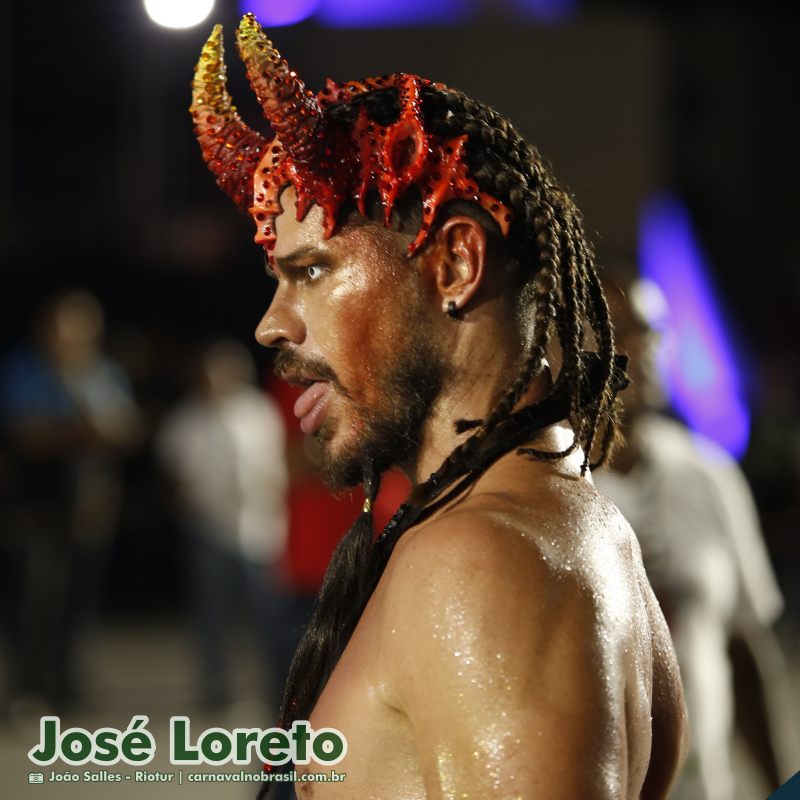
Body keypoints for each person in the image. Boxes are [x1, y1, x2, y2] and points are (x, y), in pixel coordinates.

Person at [189, 14, 687, 796]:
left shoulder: (479, 562)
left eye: (313, 271)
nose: (272, 323)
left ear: (455, 262)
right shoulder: (577, 525)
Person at [594, 264, 798, 799]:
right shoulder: (547, 485)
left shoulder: (706, 474)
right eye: (622, 330)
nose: (646, 348)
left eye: (654, 330)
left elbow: (742, 643)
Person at [157, 339, 295, 712]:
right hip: (209, 531)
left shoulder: (259, 411)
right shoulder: (184, 418)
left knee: (270, 618)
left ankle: (276, 688)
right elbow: (171, 476)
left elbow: (281, 460)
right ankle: (215, 690)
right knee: (212, 617)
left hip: (261, 529)